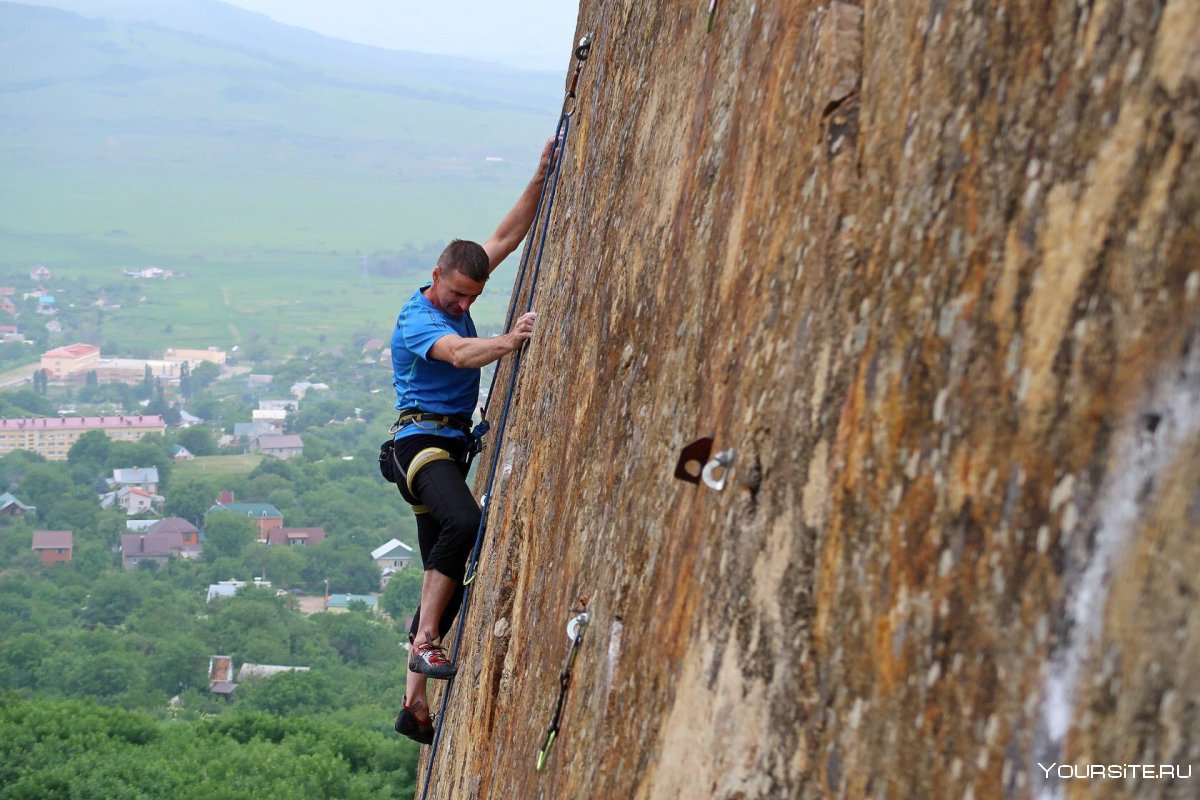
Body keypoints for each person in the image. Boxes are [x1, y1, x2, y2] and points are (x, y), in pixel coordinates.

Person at [391, 138, 554, 745]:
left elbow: (508, 235)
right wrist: (509, 341)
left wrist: (543, 174)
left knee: (447, 573)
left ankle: (413, 705)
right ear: (436, 277)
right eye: (457, 294)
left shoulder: (463, 281)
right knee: (464, 521)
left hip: (452, 447)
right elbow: (458, 355)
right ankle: (427, 647)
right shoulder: (420, 318)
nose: (463, 304)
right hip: (420, 446)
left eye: (471, 298)